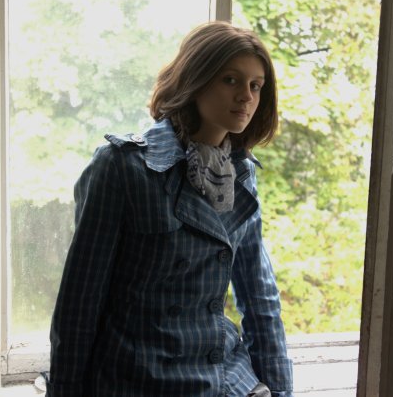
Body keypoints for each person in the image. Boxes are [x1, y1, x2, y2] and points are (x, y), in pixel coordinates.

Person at [46, 21, 293, 397]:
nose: (246, 96)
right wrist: (65, 390)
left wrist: (280, 390)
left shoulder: (240, 175)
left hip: (225, 376)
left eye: (256, 85)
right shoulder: (123, 167)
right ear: (196, 78)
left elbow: (260, 296)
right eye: (230, 80)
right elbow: (80, 300)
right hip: (139, 379)